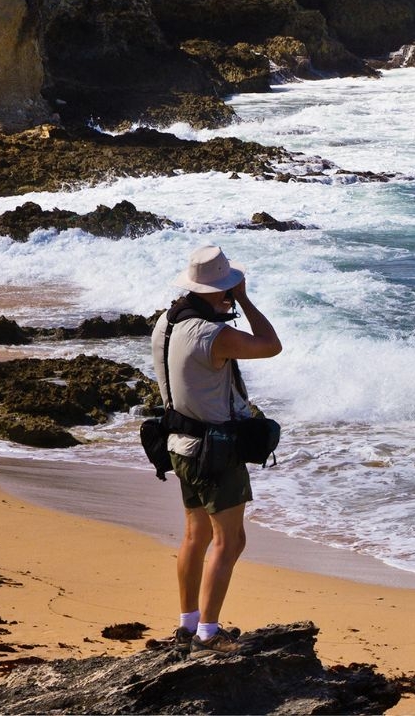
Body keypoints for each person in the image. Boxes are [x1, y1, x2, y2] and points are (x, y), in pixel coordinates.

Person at [152, 244, 282, 654]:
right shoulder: (213, 335)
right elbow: (270, 344)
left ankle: (188, 624)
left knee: (195, 535)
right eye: (228, 288)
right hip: (215, 451)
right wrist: (243, 299)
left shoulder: (166, 323)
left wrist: (230, 297)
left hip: (178, 443)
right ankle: (208, 634)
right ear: (220, 289)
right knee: (230, 541)